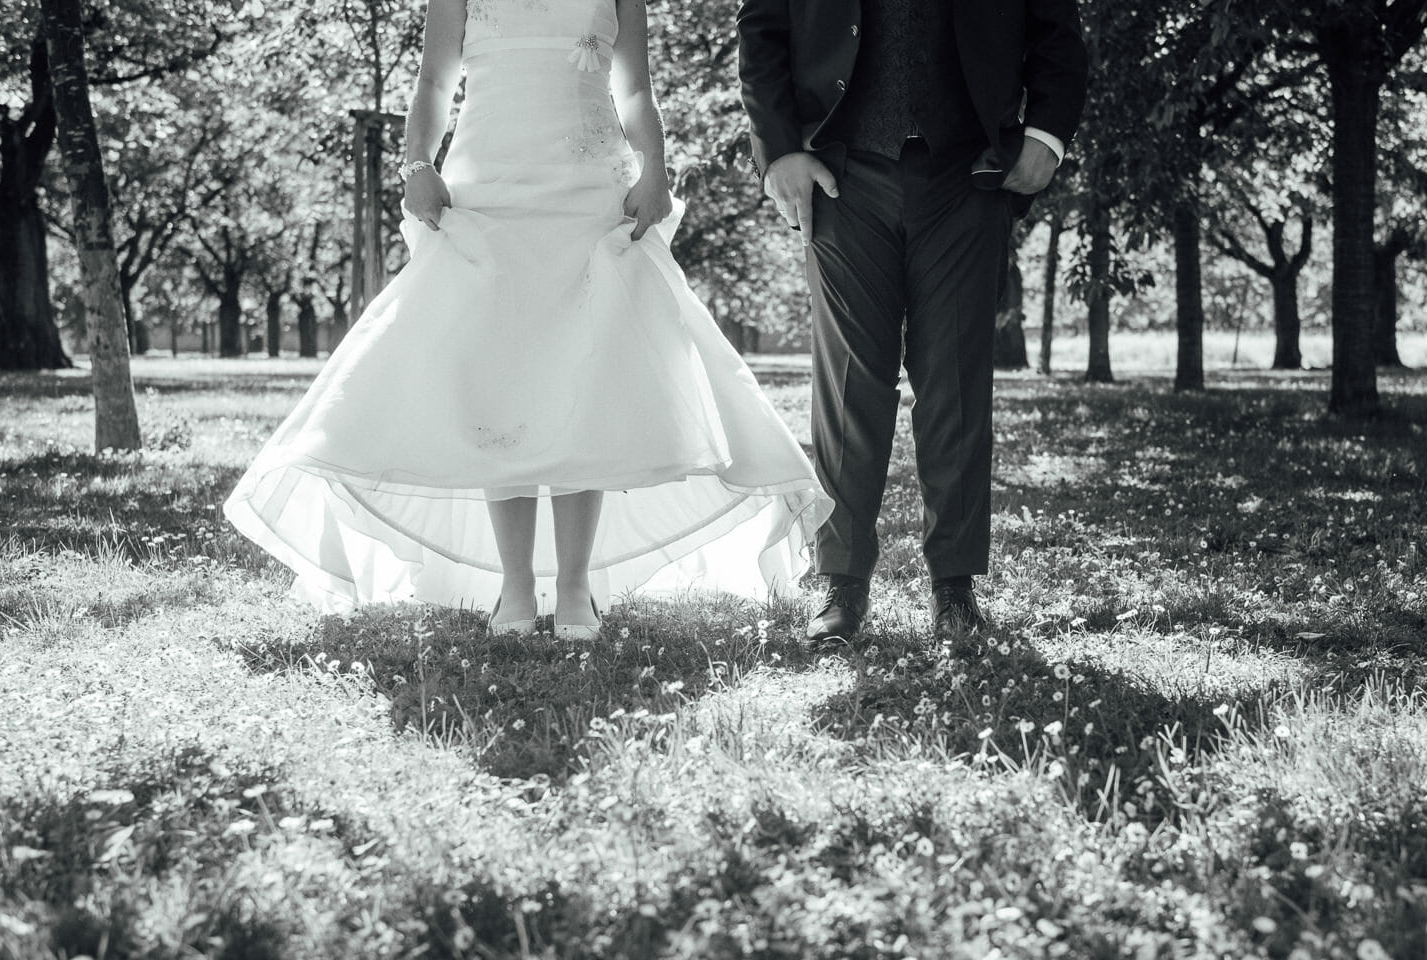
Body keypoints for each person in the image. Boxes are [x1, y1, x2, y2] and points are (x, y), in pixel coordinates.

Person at [225, 0, 832, 640]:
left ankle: (574, 587)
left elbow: (635, 88)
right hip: (489, 191)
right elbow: (434, 81)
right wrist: (417, 166)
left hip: (590, 192)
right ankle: (514, 586)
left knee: (585, 376)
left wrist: (654, 169)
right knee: (500, 379)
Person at [736, 0, 1089, 647]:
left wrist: (1047, 134)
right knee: (848, 387)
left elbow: (1057, 30)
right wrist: (779, 150)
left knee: (955, 384)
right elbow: (763, 29)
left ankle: (954, 589)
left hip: (969, 173)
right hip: (841, 172)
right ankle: (841, 583)